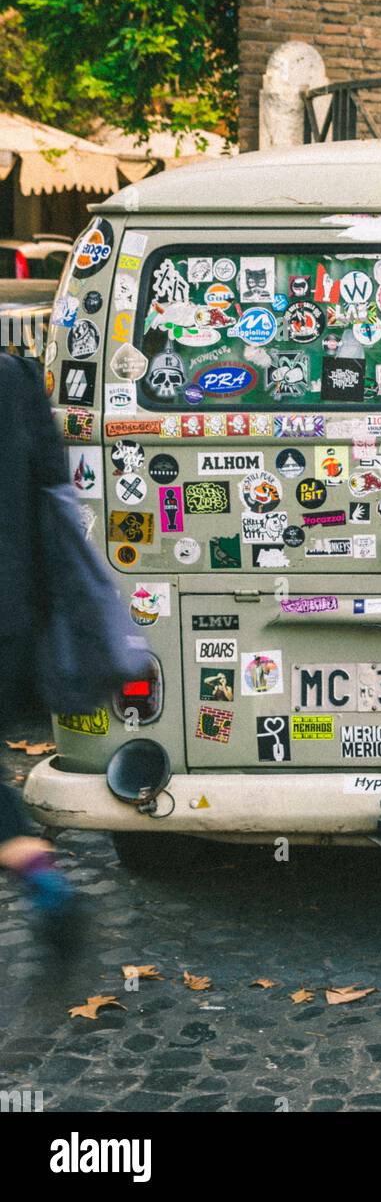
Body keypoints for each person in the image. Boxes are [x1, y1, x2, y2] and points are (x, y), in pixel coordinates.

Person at [0, 353, 83, 952]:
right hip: (13, 612)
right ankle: (40, 874)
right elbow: (57, 490)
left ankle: (40, 874)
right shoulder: (15, 379)